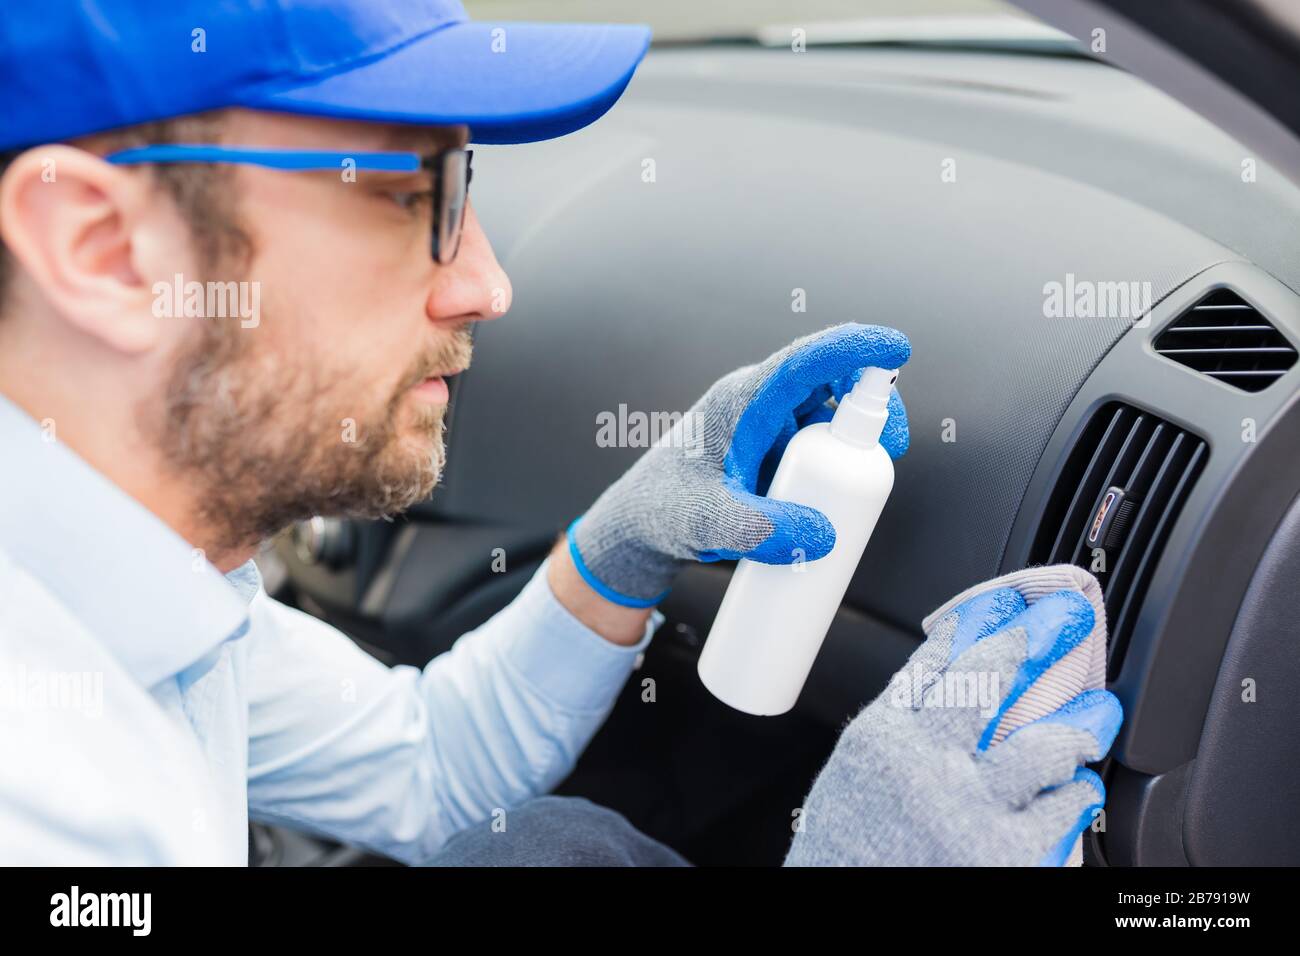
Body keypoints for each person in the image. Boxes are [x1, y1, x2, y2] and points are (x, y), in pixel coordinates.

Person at [0, 0, 1120, 866]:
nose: (486, 284)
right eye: (414, 193)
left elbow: (427, 766)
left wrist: (613, 552)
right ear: (102, 250)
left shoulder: (137, 577)